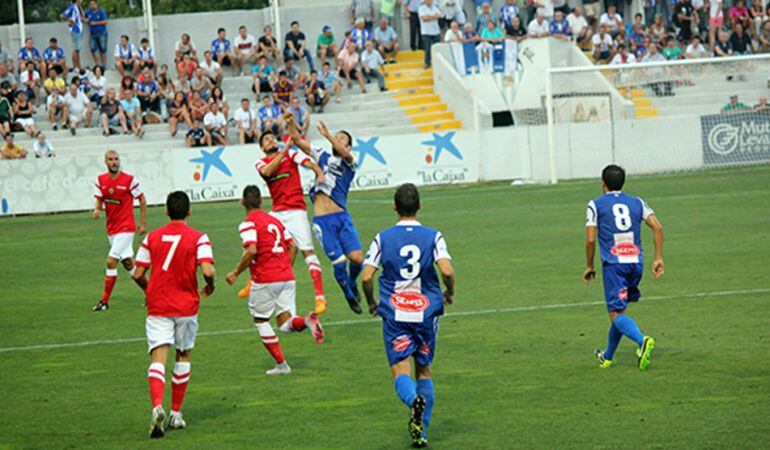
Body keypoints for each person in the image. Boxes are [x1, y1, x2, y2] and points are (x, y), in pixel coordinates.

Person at [360, 183, 456, 449]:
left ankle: (413, 401)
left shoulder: (383, 238)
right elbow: (447, 271)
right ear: (420, 206)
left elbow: (366, 276)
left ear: (394, 207)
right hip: (427, 312)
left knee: (400, 369)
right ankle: (421, 432)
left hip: (396, 313)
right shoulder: (433, 236)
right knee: (424, 370)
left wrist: (371, 303)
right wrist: (449, 292)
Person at [132, 191, 215, 438]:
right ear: (189, 212)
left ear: (166, 211)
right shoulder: (199, 238)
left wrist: (152, 289)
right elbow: (208, 270)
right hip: (186, 306)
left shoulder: (152, 237)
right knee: (183, 355)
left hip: (158, 306)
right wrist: (210, 286)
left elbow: (137, 274)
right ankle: (176, 414)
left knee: (159, 357)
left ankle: (157, 404)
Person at [225, 185, 325, 376]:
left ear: (242, 202)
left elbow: (252, 249)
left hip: (266, 278)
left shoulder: (247, 223)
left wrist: (236, 272)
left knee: (261, 320)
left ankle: (282, 365)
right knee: (284, 324)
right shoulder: (275, 221)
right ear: (261, 201)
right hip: (287, 276)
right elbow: (292, 245)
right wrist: (286, 267)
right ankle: (307, 321)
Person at [585, 164, 662, 371]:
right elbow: (657, 227)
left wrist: (589, 265)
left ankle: (642, 340)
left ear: (603, 183)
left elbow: (591, 240)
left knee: (616, 315)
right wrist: (658, 258)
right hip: (636, 263)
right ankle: (607, 356)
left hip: (614, 265)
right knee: (619, 311)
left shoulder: (595, 205)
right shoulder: (637, 202)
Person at [286, 115, 364, 314]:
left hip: (342, 217)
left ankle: (352, 282)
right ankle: (348, 294)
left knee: (357, 259)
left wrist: (329, 135)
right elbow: (297, 140)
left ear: (348, 145)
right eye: (337, 137)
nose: (338, 140)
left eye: (342, 139)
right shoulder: (322, 156)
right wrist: (290, 122)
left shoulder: (351, 161)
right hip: (323, 220)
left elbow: (344, 153)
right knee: (339, 262)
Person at [91, 150, 147, 312]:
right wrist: (97, 210)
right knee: (129, 264)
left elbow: (142, 200)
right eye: (110, 160)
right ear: (105, 162)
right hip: (112, 229)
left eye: (116, 159)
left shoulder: (129, 180)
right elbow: (99, 199)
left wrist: (142, 224)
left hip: (126, 227)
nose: (114, 162)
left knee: (111, 261)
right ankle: (151, 293)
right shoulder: (101, 180)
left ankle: (104, 301)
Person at [60, 0, 84, 71]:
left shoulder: (77, 8)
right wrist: (70, 20)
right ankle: (75, 66)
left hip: (79, 30)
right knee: (75, 49)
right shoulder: (72, 8)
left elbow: (83, 15)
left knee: (78, 49)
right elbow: (62, 15)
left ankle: (79, 66)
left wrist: (80, 6)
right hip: (75, 29)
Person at [84, 0, 109, 68]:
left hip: (102, 33)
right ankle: (97, 64)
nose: (92, 6)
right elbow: (85, 18)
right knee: (92, 48)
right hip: (93, 34)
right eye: (91, 4)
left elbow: (105, 21)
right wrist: (85, 20)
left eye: (93, 4)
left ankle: (104, 65)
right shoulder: (88, 12)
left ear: (96, 4)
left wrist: (96, 23)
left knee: (103, 49)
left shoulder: (101, 11)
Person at [418, 0, 442, 69]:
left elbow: (440, 15)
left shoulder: (435, 7)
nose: (429, 1)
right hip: (426, 32)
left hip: (436, 31)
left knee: (437, 49)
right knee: (427, 49)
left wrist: (430, 17)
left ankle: (437, 63)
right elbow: (424, 18)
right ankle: (427, 64)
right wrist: (434, 16)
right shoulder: (421, 8)